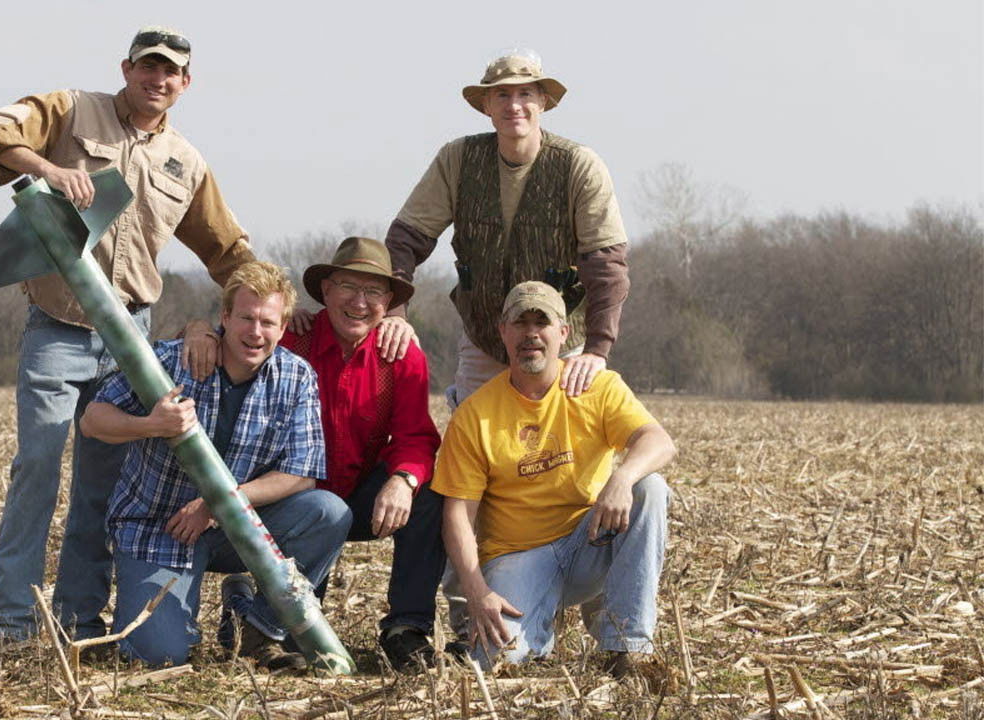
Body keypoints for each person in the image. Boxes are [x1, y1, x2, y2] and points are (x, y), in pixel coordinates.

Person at [0, 26, 256, 643]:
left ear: (186, 82)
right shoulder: (72, 111)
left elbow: (228, 251)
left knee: (102, 488)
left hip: (132, 340)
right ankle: (10, 626)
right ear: (125, 68)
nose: (158, 79)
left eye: (171, 71)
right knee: (37, 471)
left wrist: (256, 309)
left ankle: (78, 620)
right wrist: (48, 170)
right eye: (148, 67)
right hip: (58, 329)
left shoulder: (186, 161)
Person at [80, 262, 349, 672]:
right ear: (224, 317)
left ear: (282, 329)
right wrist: (151, 424)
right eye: (245, 317)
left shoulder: (297, 378)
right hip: (158, 527)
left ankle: (254, 625)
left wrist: (217, 503)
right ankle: (174, 621)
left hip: (233, 525)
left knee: (329, 513)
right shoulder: (170, 361)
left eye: (267, 322)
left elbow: (301, 473)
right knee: (160, 657)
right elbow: (92, 420)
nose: (255, 332)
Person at [432, 281, 675, 677]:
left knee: (650, 489)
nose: (531, 333)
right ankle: (536, 627)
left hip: (589, 541)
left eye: (542, 323)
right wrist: (477, 592)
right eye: (520, 322)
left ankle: (627, 647)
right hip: (516, 556)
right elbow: (458, 514)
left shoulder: (597, 387)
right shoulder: (474, 415)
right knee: (495, 664)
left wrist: (621, 478)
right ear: (503, 332)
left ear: (563, 333)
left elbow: (659, 441)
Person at [383, 49, 631, 406]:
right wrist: (395, 313)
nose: (514, 105)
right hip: (484, 339)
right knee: (475, 446)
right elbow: (404, 240)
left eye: (525, 93)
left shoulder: (580, 165)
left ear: (543, 101)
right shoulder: (457, 160)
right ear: (486, 104)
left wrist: (596, 350)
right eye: (502, 94)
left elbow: (607, 266)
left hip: (559, 342)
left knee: (564, 448)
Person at [274, 236, 444, 672]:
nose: (359, 302)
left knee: (430, 493)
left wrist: (402, 480)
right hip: (293, 496)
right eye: (349, 286)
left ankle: (406, 628)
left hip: (359, 491)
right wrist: (197, 331)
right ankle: (287, 622)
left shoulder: (401, 355)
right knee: (320, 512)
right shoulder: (291, 339)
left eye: (373, 292)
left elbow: (417, 436)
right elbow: (235, 335)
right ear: (326, 290)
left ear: (388, 302)